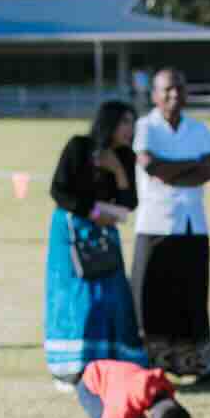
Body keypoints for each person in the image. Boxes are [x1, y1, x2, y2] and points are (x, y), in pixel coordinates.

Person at [131, 68, 210, 383]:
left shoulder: (199, 129)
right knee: (151, 300)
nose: (174, 96)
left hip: (193, 226)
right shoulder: (144, 127)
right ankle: (153, 368)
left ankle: (198, 365)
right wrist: (191, 168)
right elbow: (153, 168)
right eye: (167, 90)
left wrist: (174, 170)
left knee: (192, 299)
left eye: (180, 89)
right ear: (155, 94)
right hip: (155, 226)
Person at [44, 100, 145, 385]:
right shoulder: (79, 147)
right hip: (71, 230)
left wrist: (119, 173)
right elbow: (58, 190)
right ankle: (74, 366)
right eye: (125, 122)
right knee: (78, 297)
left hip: (105, 232)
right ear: (109, 123)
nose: (130, 129)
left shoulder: (125, 157)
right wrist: (93, 211)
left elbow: (130, 202)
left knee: (112, 294)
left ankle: (114, 362)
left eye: (132, 123)